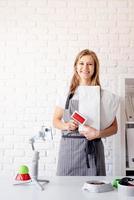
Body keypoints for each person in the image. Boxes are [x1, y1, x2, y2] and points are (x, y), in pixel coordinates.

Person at [53, 49, 118, 176]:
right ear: (76, 66)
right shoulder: (66, 93)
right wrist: (66, 125)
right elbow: (55, 120)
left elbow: (114, 128)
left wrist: (97, 133)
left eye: (90, 64)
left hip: (93, 149)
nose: (85, 67)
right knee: (67, 191)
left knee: (94, 192)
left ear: (95, 68)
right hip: (69, 152)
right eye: (81, 63)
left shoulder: (103, 96)